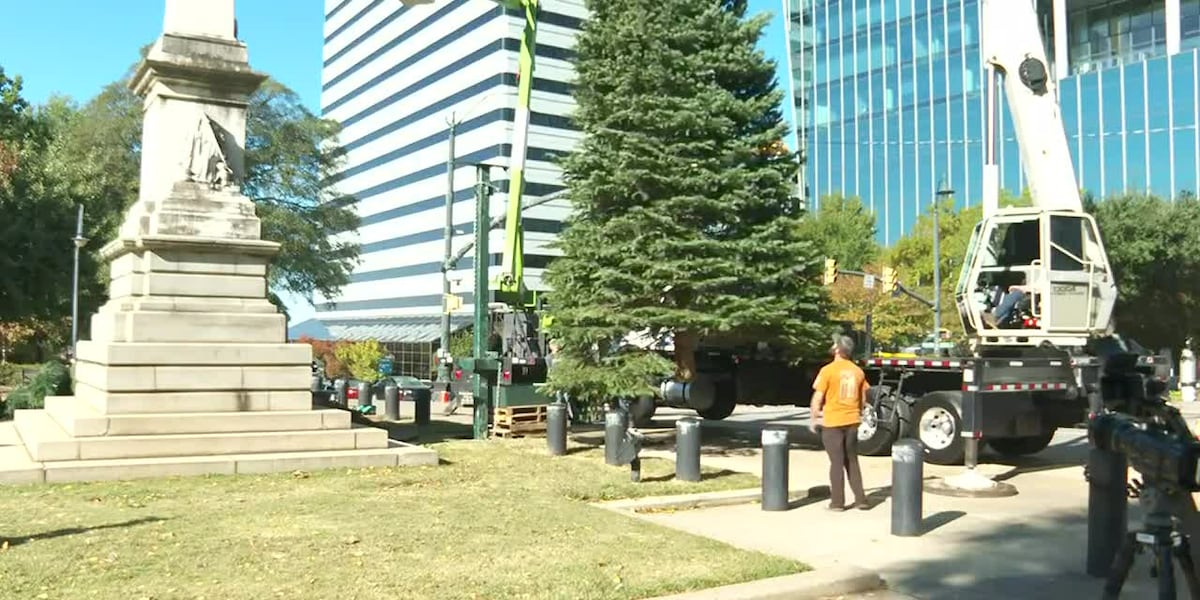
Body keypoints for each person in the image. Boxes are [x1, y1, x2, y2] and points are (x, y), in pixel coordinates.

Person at [809, 334, 870, 512]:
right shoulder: (858, 371)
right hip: (852, 420)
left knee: (836, 462)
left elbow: (818, 397)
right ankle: (861, 500)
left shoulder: (827, 370)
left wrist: (814, 418)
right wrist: (856, 413)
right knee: (852, 460)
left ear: (837, 349)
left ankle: (837, 502)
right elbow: (863, 400)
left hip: (833, 421)